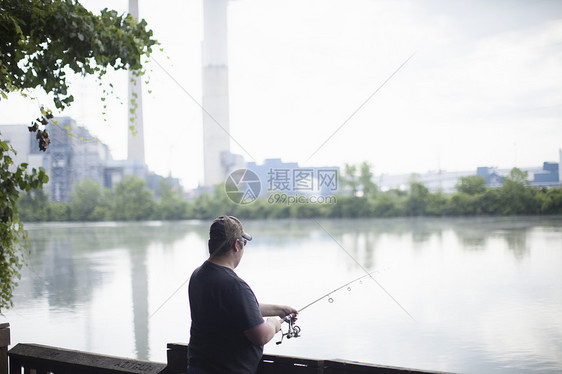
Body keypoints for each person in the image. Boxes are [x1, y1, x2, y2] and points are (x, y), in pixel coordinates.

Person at [187, 215, 298, 374]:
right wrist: (274, 324)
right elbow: (259, 336)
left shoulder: (199, 275)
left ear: (210, 244)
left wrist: (279, 309)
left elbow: (236, 309)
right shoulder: (234, 285)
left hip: (199, 367)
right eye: (244, 243)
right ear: (236, 245)